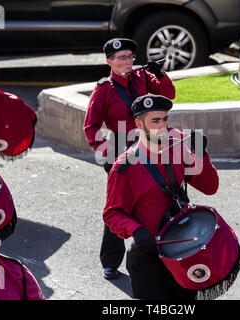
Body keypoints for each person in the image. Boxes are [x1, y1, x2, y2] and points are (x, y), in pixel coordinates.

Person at [102, 94, 219, 299]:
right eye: (155, 121)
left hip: (184, 248)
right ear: (139, 123)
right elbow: (112, 214)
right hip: (149, 255)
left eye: (165, 119)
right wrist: (136, 230)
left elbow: (209, 187)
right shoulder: (124, 167)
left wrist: (201, 154)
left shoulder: (177, 149)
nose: (162, 125)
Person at [83, 38, 175, 280]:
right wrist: (106, 151)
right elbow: (90, 126)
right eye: (121, 58)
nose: (127, 62)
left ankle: (164, 252)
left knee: (158, 197)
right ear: (109, 62)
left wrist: (160, 74)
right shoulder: (103, 88)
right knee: (119, 205)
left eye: (130, 57)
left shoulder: (142, 78)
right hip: (121, 154)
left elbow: (169, 94)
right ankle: (111, 261)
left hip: (150, 150)